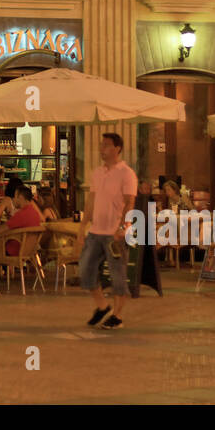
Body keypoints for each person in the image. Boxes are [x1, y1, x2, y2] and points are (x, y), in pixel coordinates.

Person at [79, 132, 137, 330]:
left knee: (118, 276)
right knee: (86, 271)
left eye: (106, 145)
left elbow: (130, 202)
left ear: (117, 148)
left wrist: (123, 227)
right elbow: (91, 200)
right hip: (95, 232)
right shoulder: (97, 173)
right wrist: (82, 227)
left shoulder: (126, 173)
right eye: (101, 145)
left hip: (115, 234)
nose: (101, 149)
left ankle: (118, 316)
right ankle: (103, 307)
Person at [0, 185, 42, 256]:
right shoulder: (35, 213)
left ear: (20, 197)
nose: (13, 199)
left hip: (14, 250)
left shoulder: (22, 214)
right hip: (29, 250)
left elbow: (0, 230)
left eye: (14, 197)